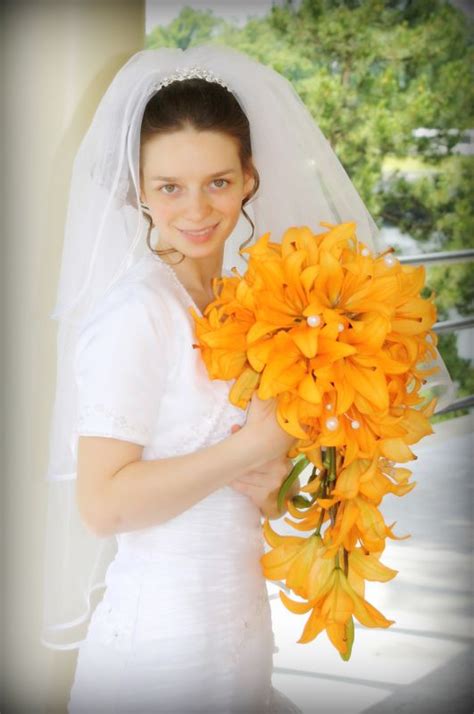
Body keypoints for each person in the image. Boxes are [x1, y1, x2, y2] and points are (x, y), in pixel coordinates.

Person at [41, 46, 454, 713]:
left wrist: (276, 491)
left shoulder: (251, 307)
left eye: (218, 182)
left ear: (249, 179)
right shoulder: (136, 314)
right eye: (169, 186)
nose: (197, 208)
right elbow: (103, 505)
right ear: (138, 190)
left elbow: (247, 488)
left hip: (238, 638)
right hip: (160, 654)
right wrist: (254, 448)